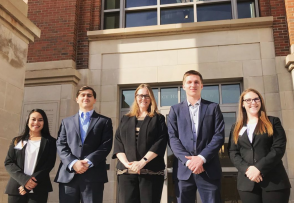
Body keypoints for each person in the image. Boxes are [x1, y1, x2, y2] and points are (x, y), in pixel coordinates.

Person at [167, 70, 225, 203]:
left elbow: (219, 136)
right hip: (184, 171)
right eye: (189, 82)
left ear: (202, 85)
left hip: (208, 169)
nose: (193, 85)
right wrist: (189, 161)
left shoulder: (213, 107)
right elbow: (172, 138)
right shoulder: (175, 110)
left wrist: (201, 158)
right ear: (184, 86)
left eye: (196, 82)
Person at [228, 88, 291, 203]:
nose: (253, 102)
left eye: (256, 99)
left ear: (261, 102)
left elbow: (278, 148)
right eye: (248, 100)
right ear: (242, 104)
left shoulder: (273, 122)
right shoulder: (236, 127)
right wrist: (247, 169)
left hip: (274, 182)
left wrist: (258, 168)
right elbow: (233, 152)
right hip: (247, 183)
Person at [54, 86, 113, 203]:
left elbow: (106, 145)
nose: (86, 97)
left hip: (93, 176)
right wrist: (74, 163)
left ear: (94, 100)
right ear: (77, 99)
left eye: (89, 95)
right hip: (69, 176)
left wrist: (87, 163)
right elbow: (61, 144)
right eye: (83, 95)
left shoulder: (104, 121)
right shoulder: (66, 122)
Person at [112, 84, 168, 203]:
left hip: (151, 173)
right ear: (136, 97)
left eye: (147, 96)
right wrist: (127, 164)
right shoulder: (125, 119)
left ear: (151, 98)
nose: (144, 98)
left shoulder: (158, 119)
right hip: (126, 174)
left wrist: (142, 162)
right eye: (140, 95)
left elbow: (160, 142)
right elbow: (118, 142)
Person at [5, 109, 57, 203]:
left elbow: (49, 164)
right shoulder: (18, 140)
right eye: (33, 119)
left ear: (44, 122)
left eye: (40, 120)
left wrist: (32, 182)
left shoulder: (51, 142)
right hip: (17, 188)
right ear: (28, 121)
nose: (36, 122)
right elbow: (9, 162)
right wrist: (25, 180)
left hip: (39, 189)